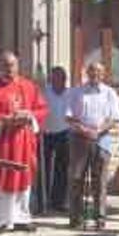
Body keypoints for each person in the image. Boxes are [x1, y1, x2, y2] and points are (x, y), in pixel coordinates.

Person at [0, 51, 48, 232]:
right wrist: (3, 119)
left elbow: (42, 109)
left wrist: (29, 116)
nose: (9, 69)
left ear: (17, 65)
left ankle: (20, 217)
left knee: (22, 177)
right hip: (1, 143)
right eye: (5, 65)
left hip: (22, 142)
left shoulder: (29, 86)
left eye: (12, 65)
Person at [67, 63, 119, 229]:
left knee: (100, 182)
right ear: (87, 73)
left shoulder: (109, 93)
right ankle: (76, 218)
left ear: (103, 74)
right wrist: (84, 130)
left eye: (99, 71)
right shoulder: (76, 91)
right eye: (92, 71)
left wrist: (98, 131)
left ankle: (100, 219)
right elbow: (69, 117)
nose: (95, 74)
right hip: (79, 139)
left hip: (102, 140)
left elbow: (114, 118)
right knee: (77, 179)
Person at [43, 66, 71, 213]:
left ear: (65, 80)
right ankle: (43, 199)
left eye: (61, 78)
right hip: (46, 133)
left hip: (64, 132)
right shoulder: (44, 92)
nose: (58, 81)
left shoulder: (70, 93)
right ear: (50, 79)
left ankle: (58, 201)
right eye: (54, 78)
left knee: (62, 168)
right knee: (44, 168)